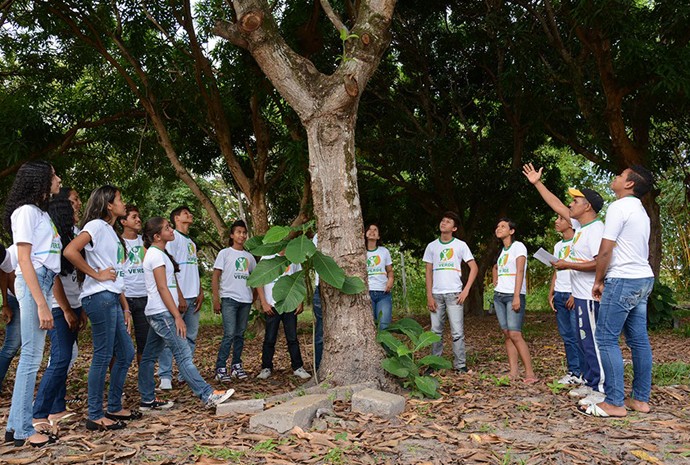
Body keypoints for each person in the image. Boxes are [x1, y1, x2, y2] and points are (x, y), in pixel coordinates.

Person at [523, 163, 606, 403]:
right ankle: (590, 382)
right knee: (583, 340)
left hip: (591, 297)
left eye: (576, 201)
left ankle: (600, 389)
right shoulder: (581, 226)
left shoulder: (596, 229)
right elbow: (556, 203)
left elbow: (600, 263)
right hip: (579, 295)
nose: (570, 205)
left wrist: (568, 265)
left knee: (592, 343)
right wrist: (537, 183)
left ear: (587, 206)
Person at [138, 217, 234, 411]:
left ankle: (147, 400)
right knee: (183, 355)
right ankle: (207, 395)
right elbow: (162, 288)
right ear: (157, 236)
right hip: (162, 313)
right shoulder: (155, 256)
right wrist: (177, 317)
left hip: (160, 312)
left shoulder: (160, 253)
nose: (171, 230)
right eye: (167, 228)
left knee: (148, 357)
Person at [582, 166, 656, 418]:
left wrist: (599, 280)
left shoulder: (618, 207)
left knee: (605, 338)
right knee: (638, 340)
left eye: (620, 175)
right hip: (643, 278)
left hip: (623, 279)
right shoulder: (640, 211)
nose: (615, 177)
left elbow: (605, 251)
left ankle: (614, 402)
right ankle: (640, 400)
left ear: (629, 185)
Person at [64, 185, 136, 431]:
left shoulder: (110, 231)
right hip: (99, 296)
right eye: (120, 199)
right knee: (103, 355)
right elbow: (70, 251)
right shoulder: (95, 225)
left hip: (112, 297)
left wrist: (125, 307)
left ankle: (114, 406)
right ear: (108, 204)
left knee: (125, 353)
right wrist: (96, 274)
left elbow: (118, 274)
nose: (123, 203)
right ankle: (94, 414)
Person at [3, 160, 62, 447]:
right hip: (34, 283)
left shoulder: (40, 213)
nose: (58, 179)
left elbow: (23, 257)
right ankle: (24, 429)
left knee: (31, 357)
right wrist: (41, 303)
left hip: (43, 281)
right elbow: (24, 260)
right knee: (30, 358)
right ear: (39, 180)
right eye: (53, 175)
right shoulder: (25, 212)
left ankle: (16, 426)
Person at [32, 197, 86, 430]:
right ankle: (38, 413)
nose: (77, 208)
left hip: (73, 304)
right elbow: (54, 278)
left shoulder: (69, 237)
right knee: (61, 357)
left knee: (64, 357)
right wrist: (65, 309)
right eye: (72, 206)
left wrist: (78, 308)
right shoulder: (54, 240)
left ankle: (57, 407)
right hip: (57, 306)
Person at [423, 212, 478, 373]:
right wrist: (429, 295)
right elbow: (428, 271)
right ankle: (434, 364)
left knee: (457, 332)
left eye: (448, 222)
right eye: (442, 220)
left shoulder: (460, 245)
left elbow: (474, 267)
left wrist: (466, 290)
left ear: (454, 228)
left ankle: (460, 365)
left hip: (454, 294)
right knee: (435, 332)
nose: (443, 223)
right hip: (436, 294)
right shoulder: (432, 246)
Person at [157, 206, 204, 389]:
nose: (190, 215)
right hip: (179, 298)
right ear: (176, 218)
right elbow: (170, 270)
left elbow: (194, 269)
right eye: (186, 213)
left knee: (190, 336)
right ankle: (165, 376)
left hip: (193, 296)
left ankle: (185, 373)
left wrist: (200, 291)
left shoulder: (191, 242)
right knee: (171, 338)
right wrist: (179, 295)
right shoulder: (172, 239)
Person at [492, 218, 538, 383]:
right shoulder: (501, 251)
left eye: (503, 226)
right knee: (507, 334)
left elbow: (520, 271)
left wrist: (517, 295)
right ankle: (513, 372)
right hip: (499, 296)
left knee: (515, 333)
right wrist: (495, 279)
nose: (499, 228)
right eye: (498, 226)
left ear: (511, 231)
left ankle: (530, 374)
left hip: (513, 295)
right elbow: (496, 266)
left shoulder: (518, 247)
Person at [256, 251, 311, 380]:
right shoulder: (267, 257)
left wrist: (299, 301)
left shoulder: (294, 258)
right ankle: (266, 367)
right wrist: (263, 302)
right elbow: (259, 280)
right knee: (270, 338)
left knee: (292, 337)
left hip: (289, 303)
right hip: (272, 305)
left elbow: (299, 280)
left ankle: (298, 367)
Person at [212, 220, 256, 382]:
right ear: (232, 235)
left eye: (244, 232)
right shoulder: (224, 253)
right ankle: (220, 367)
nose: (242, 235)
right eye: (238, 232)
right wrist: (216, 299)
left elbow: (256, 279)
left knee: (240, 334)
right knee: (229, 333)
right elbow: (215, 276)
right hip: (229, 299)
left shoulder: (249, 257)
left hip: (245, 300)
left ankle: (236, 365)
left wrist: (254, 298)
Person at [549, 215, 584, 385]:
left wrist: (574, 293)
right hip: (560, 293)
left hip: (575, 293)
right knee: (567, 336)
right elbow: (557, 271)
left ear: (571, 223)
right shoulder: (558, 246)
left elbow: (582, 268)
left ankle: (585, 373)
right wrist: (552, 293)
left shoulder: (578, 242)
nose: (556, 221)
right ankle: (573, 372)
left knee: (579, 335)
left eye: (560, 218)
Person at [120, 205, 149, 363]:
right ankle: (118, 386)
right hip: (124, 298)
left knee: (144, 344)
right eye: (134, 217)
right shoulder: (117, 242)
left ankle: (144, 384)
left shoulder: (145, 242)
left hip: (144, 297)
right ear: (124, 221)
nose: (138, 219)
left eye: (139, 216)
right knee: (120, 346)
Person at [365, 224, 394, 330]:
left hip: (383, 293)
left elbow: (389, 270)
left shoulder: (384, 251)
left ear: (378, 236)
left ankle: (384, 347)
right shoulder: (360, 252)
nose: (372, 231)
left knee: (384, 327)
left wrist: (390, 280)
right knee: (369, 328)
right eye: (369, 229)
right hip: (366, 293)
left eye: (375, 230)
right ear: (365, 234)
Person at [0, 246, 19, 391]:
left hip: (40, 301)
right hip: (17, 299)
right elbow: (6, 275)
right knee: (12, 345)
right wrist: (5, 304)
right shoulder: (14, 251)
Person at [312, 234, 323, 372]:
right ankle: (319, 366)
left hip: (341, 286)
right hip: (321, 287)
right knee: (321, 329)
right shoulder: (318, 236)